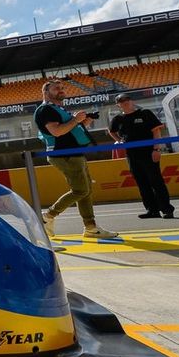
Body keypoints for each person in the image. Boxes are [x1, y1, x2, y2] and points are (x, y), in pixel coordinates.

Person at [33, 79, 117, 239]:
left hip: (73, 153)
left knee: (86, 191)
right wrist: (75, 120)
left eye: (62, 87)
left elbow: (68, 129)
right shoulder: (46, 110)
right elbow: (56, 132)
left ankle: (91, 228)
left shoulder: (56, 108)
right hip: (64, 154)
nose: (61, 90)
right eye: (56, 88)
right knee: (81, 190)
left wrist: (82, 122)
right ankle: (48, 216)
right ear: (45, 92)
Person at [108, 94, 175, 219]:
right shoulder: (118, 118)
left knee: (156, 181)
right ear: (118, 105)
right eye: (121, 101)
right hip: (132, 155)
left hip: (148, 152)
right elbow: (111, 131)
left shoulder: (145, 113)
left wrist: (156, 149)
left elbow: (156, 131)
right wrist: (120, 140)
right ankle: (152, 210)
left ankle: (166, 209)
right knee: (142, 183)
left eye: (127, 99)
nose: (125, 102)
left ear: (131, 100)